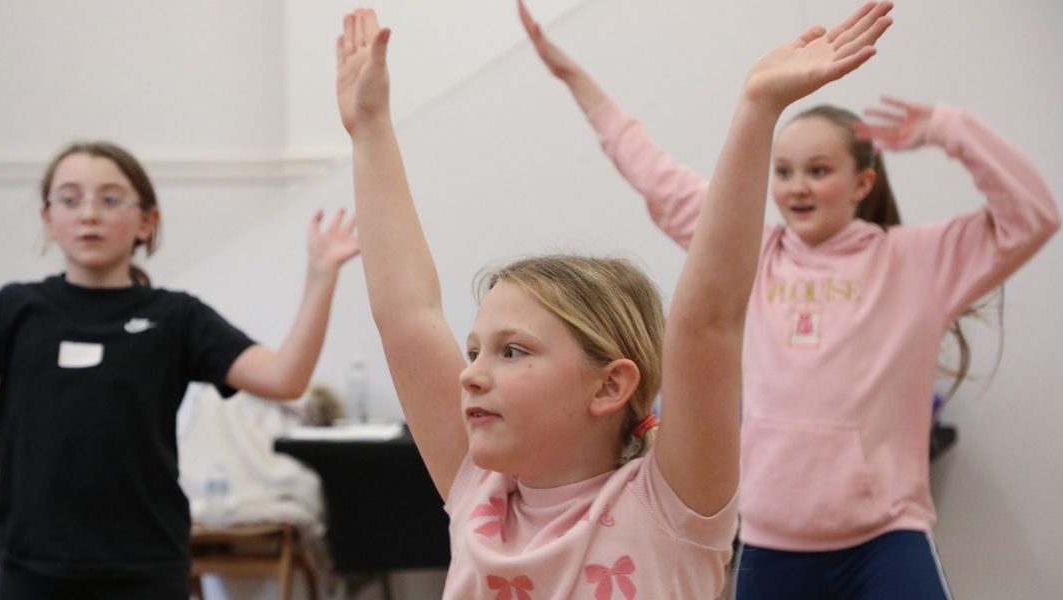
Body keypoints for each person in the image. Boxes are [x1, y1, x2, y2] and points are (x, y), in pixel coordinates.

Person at [337, 3, 892, 598]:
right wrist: (369, 126)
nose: (469, 375)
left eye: (512, 351)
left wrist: (758, 110)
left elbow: (708, 323)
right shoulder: (480, 492)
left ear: (609, 386)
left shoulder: (671, 505)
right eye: (475, 351)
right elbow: (407, 316)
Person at [519, 2, 1059, 597]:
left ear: (862, 184)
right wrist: (574, 78)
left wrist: (953, 130)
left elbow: (1032, 216)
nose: (797, 186)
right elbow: (653, 173)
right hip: (771, 544)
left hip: (886, 539)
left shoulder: (913, 260)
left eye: (818, 170)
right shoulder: (754, 249)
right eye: (784, 171)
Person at [0, 140, 360, 600]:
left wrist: (320, 279)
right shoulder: (16, 311)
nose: (88, 215)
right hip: (32, 572)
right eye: (70, 199)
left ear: (146, 221)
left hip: (145, 571)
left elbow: (284, 378)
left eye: (109, 199)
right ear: (48, 218)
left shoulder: (176, 318)